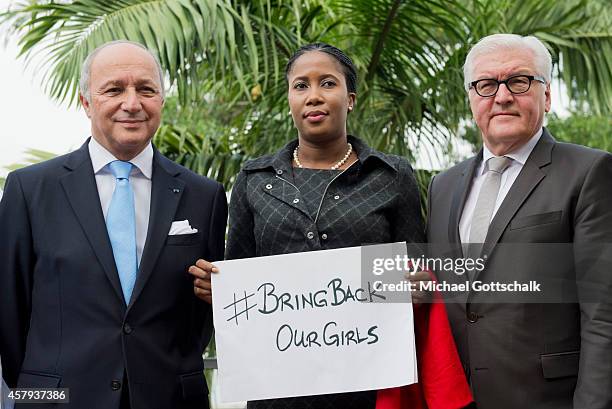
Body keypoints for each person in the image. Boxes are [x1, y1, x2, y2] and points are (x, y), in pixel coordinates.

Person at [190, 43, 472, 409]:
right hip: (278, 390)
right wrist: (218, 290)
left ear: (350, 98)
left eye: (327, 83)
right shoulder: (254, 179)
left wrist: (419, 287)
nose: (314, 96)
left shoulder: (391, 176)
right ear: (290, 98)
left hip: (371, 388)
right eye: (301, 86)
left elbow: (415, 269)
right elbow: (240, 280)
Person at [0, 41, 227, 409]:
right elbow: (10, 314)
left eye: (146, 89)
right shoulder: (29, 190)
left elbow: (203, 314)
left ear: (161, 101)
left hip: (170, 398)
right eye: (114, 89)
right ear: (86, 102)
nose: (133, 103)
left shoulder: (205, 195)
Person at [426, 33, 612, 409]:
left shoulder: (590, 172)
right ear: (471, 99)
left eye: (519, 81)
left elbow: (604, 311)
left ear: (546, 96)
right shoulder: (442, 186)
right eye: (486, 84)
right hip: (459, 399)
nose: (502, 95)